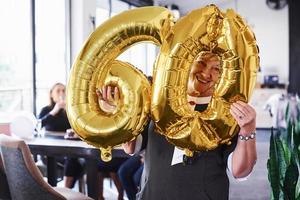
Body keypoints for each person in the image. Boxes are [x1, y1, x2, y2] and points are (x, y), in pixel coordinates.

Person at [98, 52, 257, 200]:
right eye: (201, 63)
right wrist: (120, 111)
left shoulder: (226, 113)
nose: (206, 73)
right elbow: (131, 147)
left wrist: (247, 129)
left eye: (216, 69)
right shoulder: (159, 102)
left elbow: (239, 170)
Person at [38, 82, 85, 189]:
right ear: (51, 94)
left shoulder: (71, 111)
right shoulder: (46, 110)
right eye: (58, 91)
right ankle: (66, 192)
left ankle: (64, 192)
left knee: (73, 159)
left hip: (69, 149)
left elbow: (79, 128)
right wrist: (55, 110)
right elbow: (38, 125)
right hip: (50, 151)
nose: (61, 93)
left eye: (64, 91)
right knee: (76, 164)